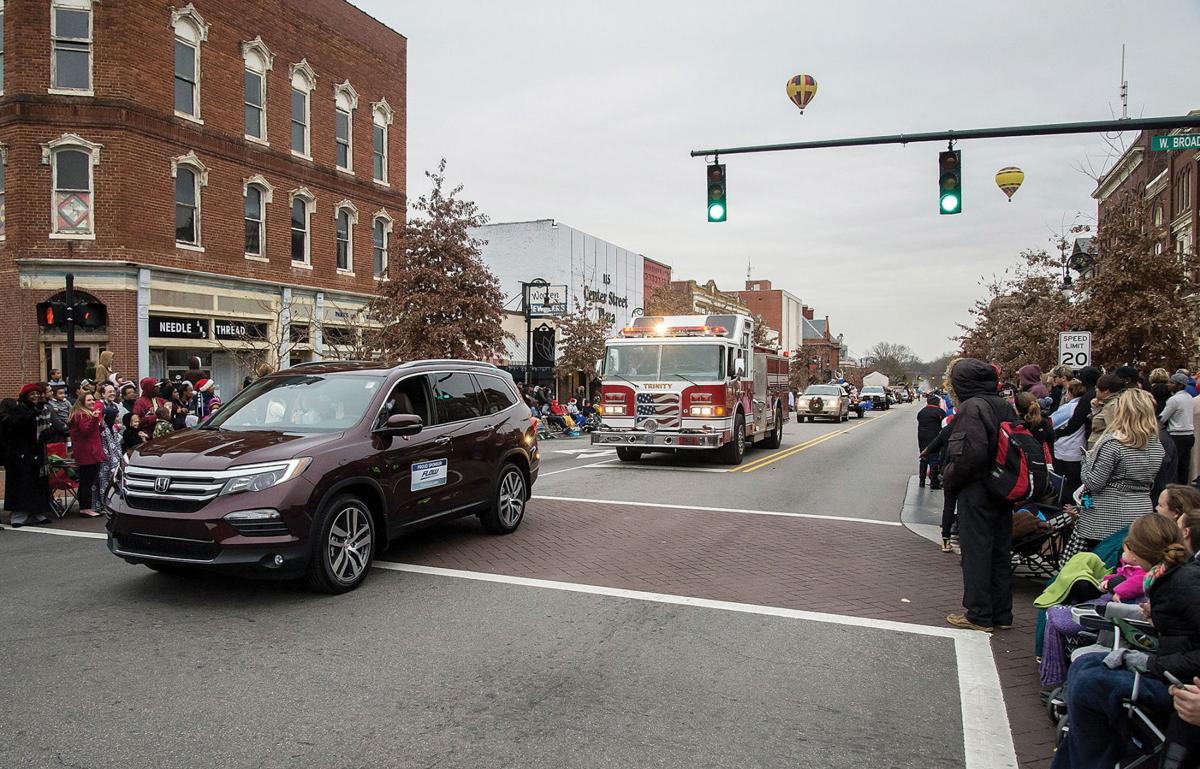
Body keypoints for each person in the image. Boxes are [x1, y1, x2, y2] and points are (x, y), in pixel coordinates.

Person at [1051, 513, 1200, 769]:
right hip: (1174, 672)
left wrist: (1149, 662)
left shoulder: (1182, 582)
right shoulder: (1170, 579)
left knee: (1091, 682)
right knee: (1085, 665)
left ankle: (1092, 760)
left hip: (1178, 683)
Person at [941, 358, 1017, 632]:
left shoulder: (971, 408)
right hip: (1004, 486)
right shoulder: (1003, 405)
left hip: (978, 489)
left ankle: (979, 613)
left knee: (976, 552)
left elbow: (969, 456)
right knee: (1000, 551)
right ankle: (1001, 613)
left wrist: (949, 476)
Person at [1065, 388, 1166, 559]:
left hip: (1104, 516)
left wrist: (1086, 460)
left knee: (1098, 566)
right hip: (1140, 511)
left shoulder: (1113, 443)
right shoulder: (1157, 445)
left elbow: (1093, 482)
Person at [2, 386, 52, 528]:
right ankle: (19, 515)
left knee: (38, 484)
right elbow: (16, 425)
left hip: (37, 452)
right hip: (20, 454)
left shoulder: (42, 411)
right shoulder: (17, 411)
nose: (35, 396)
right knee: (22, 484)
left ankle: (37, 512)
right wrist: (34, 412)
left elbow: (48, 427)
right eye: (32, 394)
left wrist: (47, 434)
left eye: (37, 393)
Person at [67, 391, 104, 518]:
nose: (92, 402)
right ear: (82, 402)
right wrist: (94, 419)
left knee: (87, 480)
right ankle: (85, 508)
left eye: (93, 400)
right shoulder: (81, 415)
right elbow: (86, 432)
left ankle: (85, 506)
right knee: (87, 481)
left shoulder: (86, 414)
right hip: (87, 453)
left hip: (91, 451)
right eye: (89, 400)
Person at [1051, 380, 1088, 499]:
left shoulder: (1070, 408)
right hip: (1078, 451)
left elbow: (1052, 422)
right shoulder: (1085, 406)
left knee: (1065, 487)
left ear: (1070, 393)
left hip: (1065, 452)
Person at [1160, 372, 1196, 485]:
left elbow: (1163, 418)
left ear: (1180, 385)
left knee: (1174, 466)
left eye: (1172, 382)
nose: (1168, 384)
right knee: (1184, 467)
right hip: (1189, 435)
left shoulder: (1174, 400)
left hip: (1177, 435)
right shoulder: (1189, 397)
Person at [96, 383, 122, 512]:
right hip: (103, 442)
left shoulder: (114, 405)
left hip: (113, 440)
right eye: (109, 391)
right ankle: (102, 502)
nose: (112, 393)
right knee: (104, 474)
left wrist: (116, 427)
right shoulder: (99, 405)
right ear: (102, 393)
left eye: (113, 391)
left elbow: (118, 423)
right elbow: (99, 424)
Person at [916, 393, 946, 488]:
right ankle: (934, 482)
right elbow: (944, 425)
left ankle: (921, 480)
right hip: (934, 438)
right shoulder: (940, 412)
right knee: (934, 459)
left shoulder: (922, 412)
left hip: (922, 438)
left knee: (923, 458)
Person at [1016, 391, 1055, 457]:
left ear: (1017, 408)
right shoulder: (1043, 422)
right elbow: (1051, 438)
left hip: (1022, 459)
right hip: (1040, 458)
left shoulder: (1016, 423)